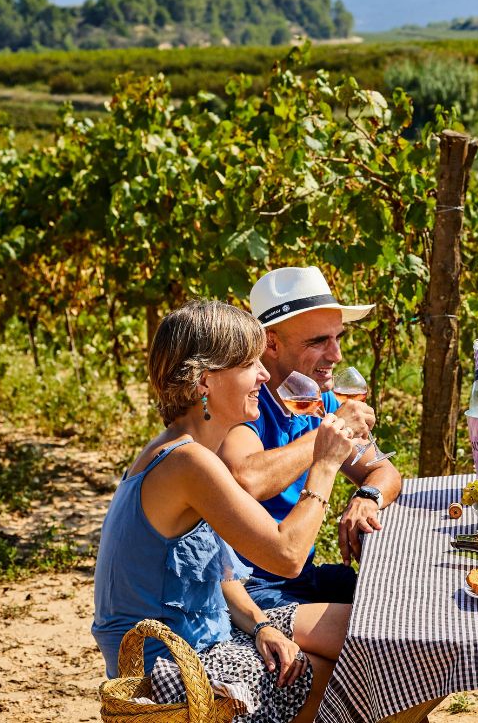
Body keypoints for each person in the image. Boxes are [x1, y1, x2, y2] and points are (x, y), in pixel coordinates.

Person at [93, 300, 357, 723]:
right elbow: (288, 556)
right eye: (251, 363)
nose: (265, 375)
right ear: (205, 381)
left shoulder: (188, 451)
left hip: (209, 638)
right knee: (350, 666)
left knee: (365, 631)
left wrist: (260, 626)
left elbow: (221, 575)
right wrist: (323, 465)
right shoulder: (187, 462)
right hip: (172, 671)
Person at [218, 266, 403, 609]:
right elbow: (247, 478)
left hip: (301, 576)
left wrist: (367, 496)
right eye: (319, 341)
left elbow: (384, 471)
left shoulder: (320, 401)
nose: (336, 355)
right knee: (371, 630)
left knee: (397, 599)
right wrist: (327, 435)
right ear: (270, 343)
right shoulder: (244, 401)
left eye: (338, 338)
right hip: (248, 588)